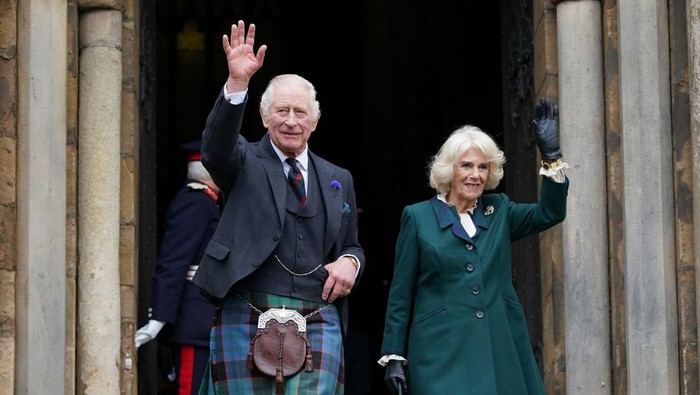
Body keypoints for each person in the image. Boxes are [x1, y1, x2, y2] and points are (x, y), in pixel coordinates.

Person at [191, 20, 365, 394]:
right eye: (281, 111)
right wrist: (237, 84)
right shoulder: (241, 161)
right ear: (264, 117)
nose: (290, 120)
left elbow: (352, 245)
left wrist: (352, 263)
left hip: (317, 314)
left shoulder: (339, 179)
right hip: (247, 306)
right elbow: (215, 148)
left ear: (315, 121)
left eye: (300, 112)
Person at [379, 98, 569, 395]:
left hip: (499, 345)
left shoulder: (500, 210)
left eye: (483, 167)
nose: (475, 175)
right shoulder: (417, 217)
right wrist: (394, 354)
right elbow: (401, 292)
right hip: (440, 351)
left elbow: (550, 212)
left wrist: (552, 157)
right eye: (466, 165)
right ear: (449, 170)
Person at [135, 141, 221, 395]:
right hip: (191, 323)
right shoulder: (195, 202)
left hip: (201, 322)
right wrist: (159, 317)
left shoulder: (206, 203)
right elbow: (174, 261)